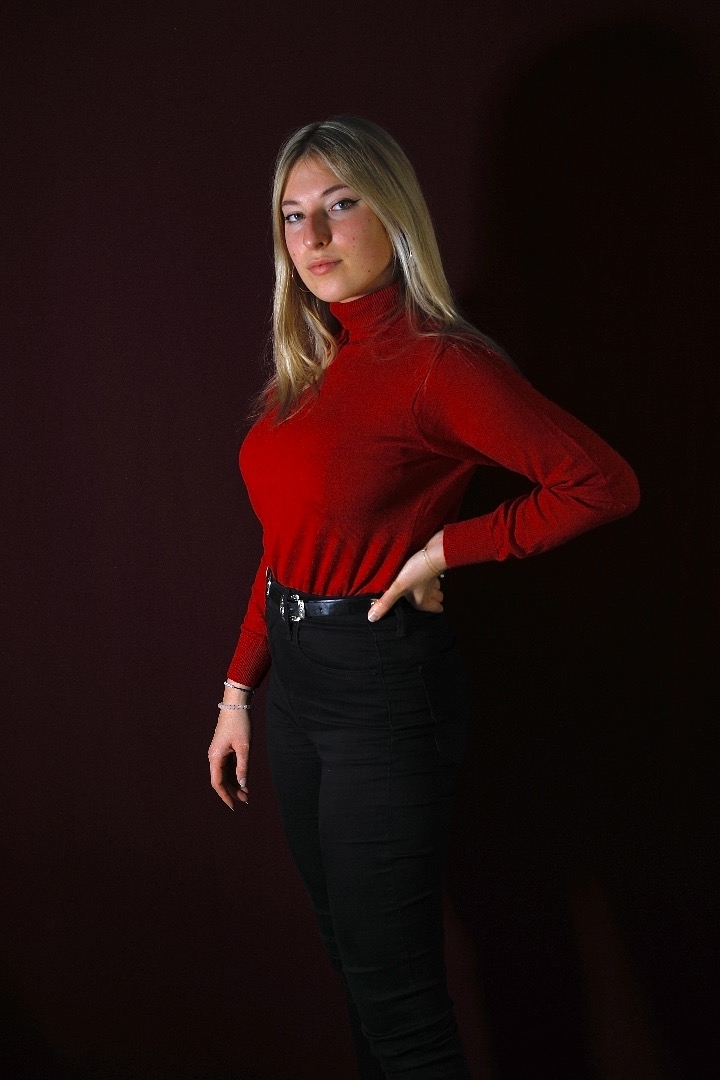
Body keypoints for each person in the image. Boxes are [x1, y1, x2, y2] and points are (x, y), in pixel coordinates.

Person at [208, 115, 640, 1080]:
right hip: (297, 696)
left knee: (399, 1006)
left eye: (340, 204)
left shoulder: (440, 364)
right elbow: (284, 549)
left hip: (380, 690)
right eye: (292, 215)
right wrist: (239, 691)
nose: (313, 236)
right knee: (358, 978)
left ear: (394, 212)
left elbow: (601, 483)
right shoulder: (307, 369)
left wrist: (448, 547)